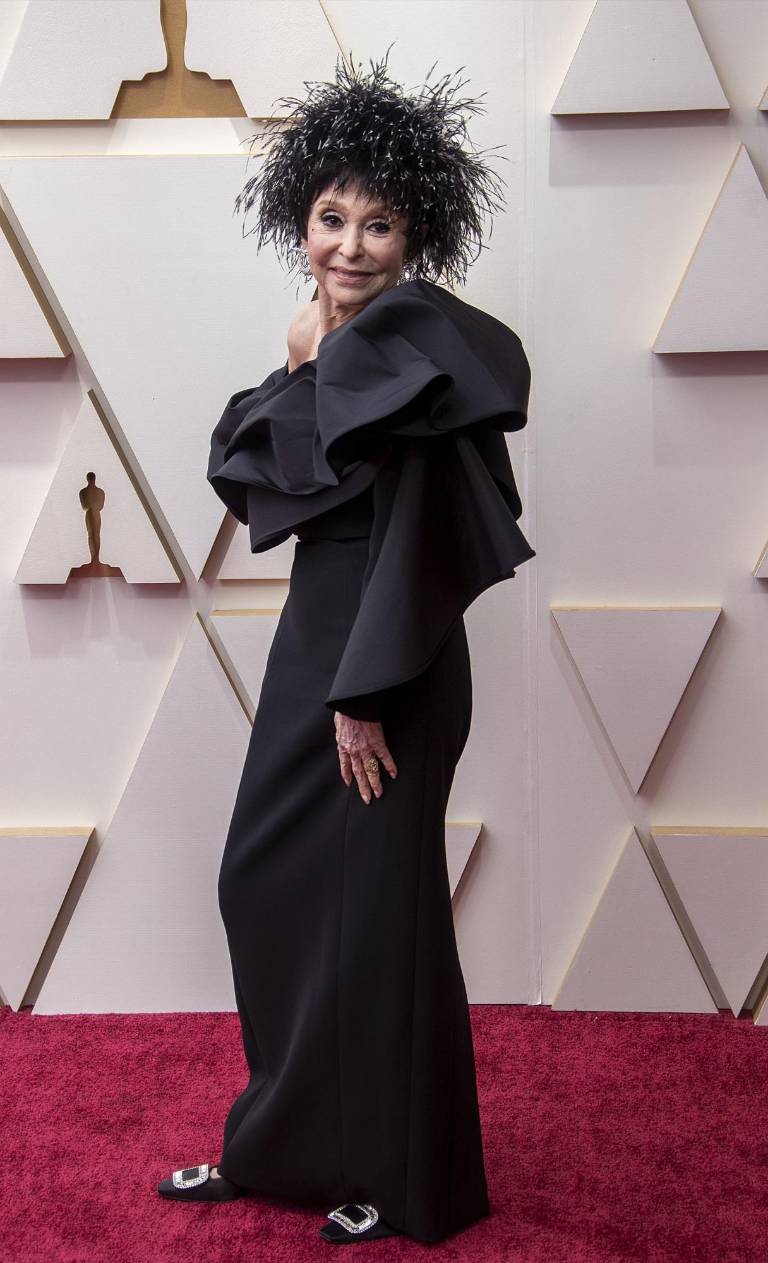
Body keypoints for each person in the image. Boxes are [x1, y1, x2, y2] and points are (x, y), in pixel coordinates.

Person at [157, 49, 536, 1245]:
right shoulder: (336, 342)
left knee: (380, 923)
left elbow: (419, 533)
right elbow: (255, 473)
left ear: (417, 231)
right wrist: (298, 361)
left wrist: (368, 693)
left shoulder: (425, 350)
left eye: (380, 223)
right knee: (264, 884)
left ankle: (398, 1174)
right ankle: (277, 1149)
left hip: (388, 661)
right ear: (300, 223)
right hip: (318, 651)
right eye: (332, 218)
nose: (352, 246)